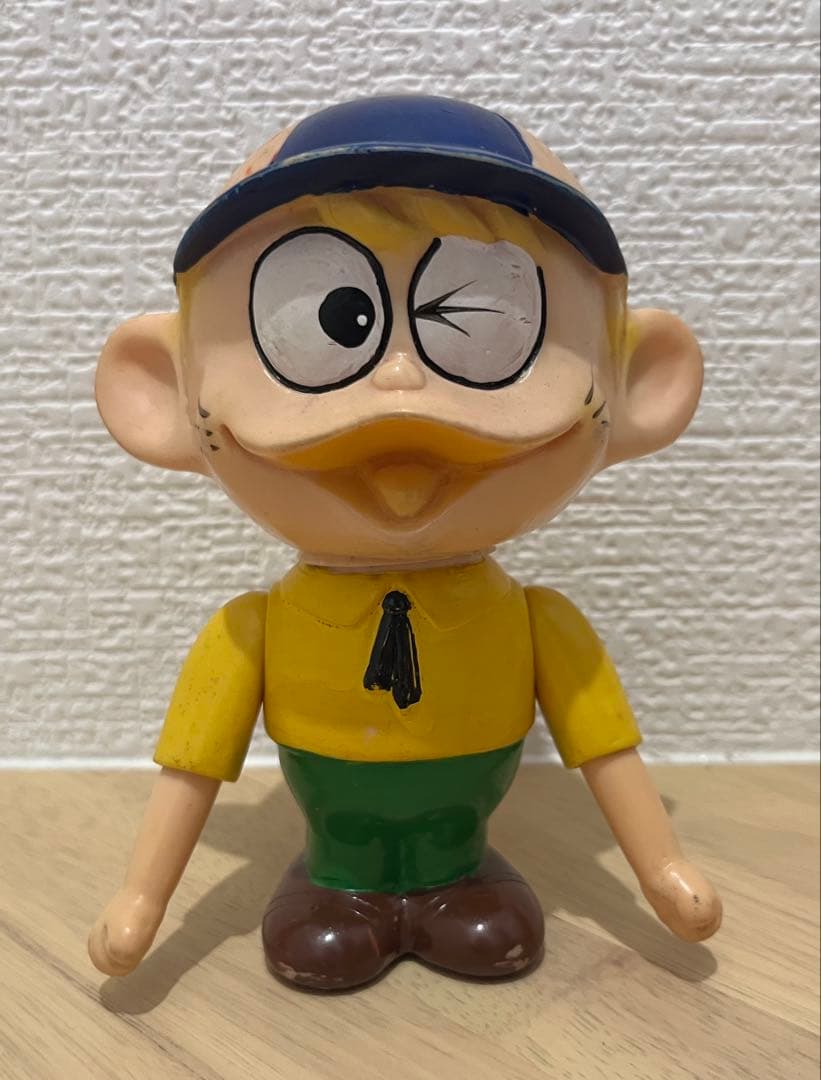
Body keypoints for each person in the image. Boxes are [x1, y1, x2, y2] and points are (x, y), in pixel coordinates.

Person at [88, 94, 722, 991]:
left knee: (483, 919)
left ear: (641, 381)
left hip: (466, 852)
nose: (399, 386)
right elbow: (191, 768)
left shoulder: (538, 620)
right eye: (326, 323)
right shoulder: (250, 630)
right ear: (158, 392)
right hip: (332, 860)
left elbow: (605, 752)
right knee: (327, 928)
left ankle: (451, 877)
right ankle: (342, 884)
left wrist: (662, 871)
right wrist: (140, 901)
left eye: (478, 321)